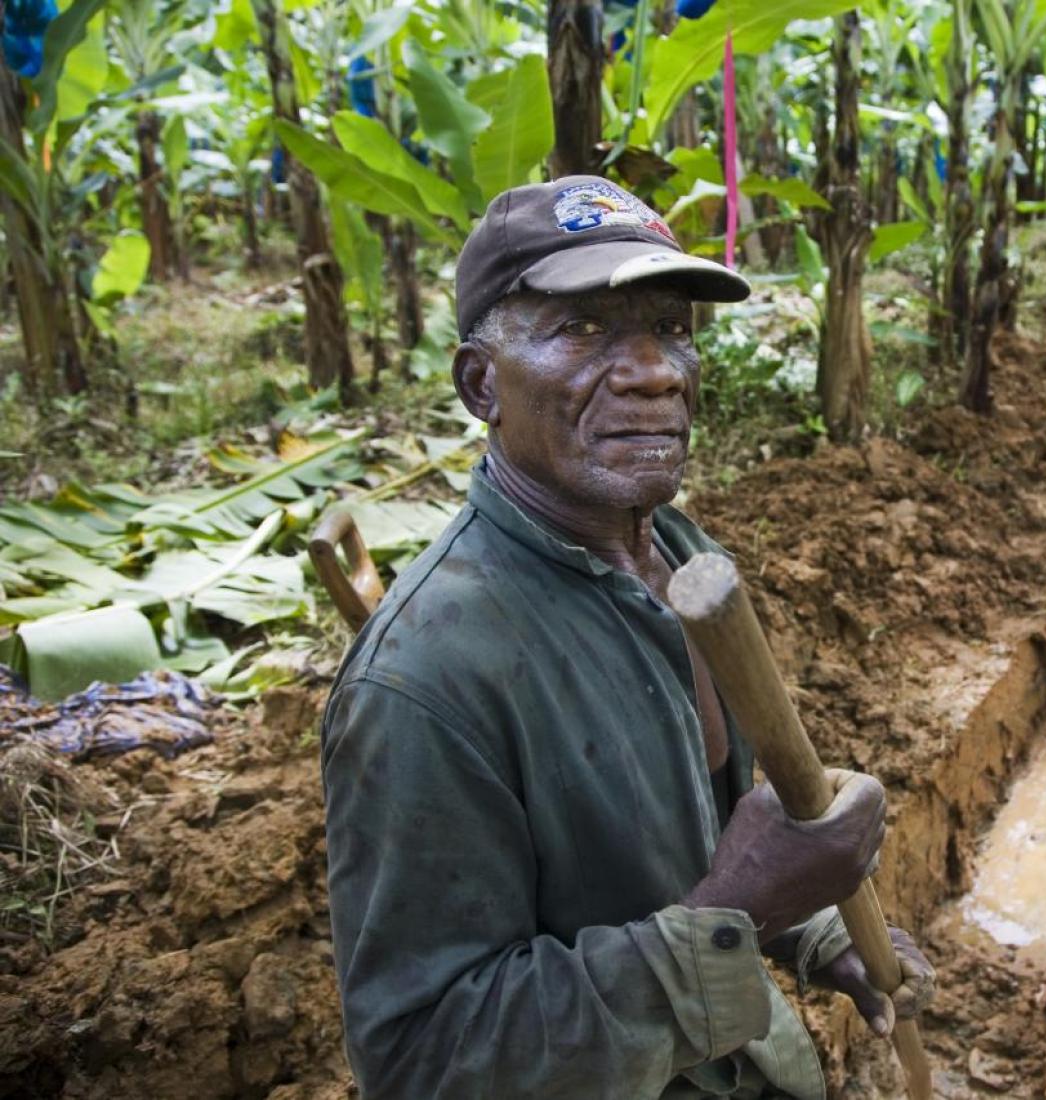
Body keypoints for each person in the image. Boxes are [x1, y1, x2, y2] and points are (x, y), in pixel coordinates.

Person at [320, 177, 936, 1100]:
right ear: (481, 383)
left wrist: (814, 929)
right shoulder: (424, 683)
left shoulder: (683, 560)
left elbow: (676, 852)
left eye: (673, 328)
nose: (653, 369)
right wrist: (738, 907)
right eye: (583, 331)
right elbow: (422, 1063)